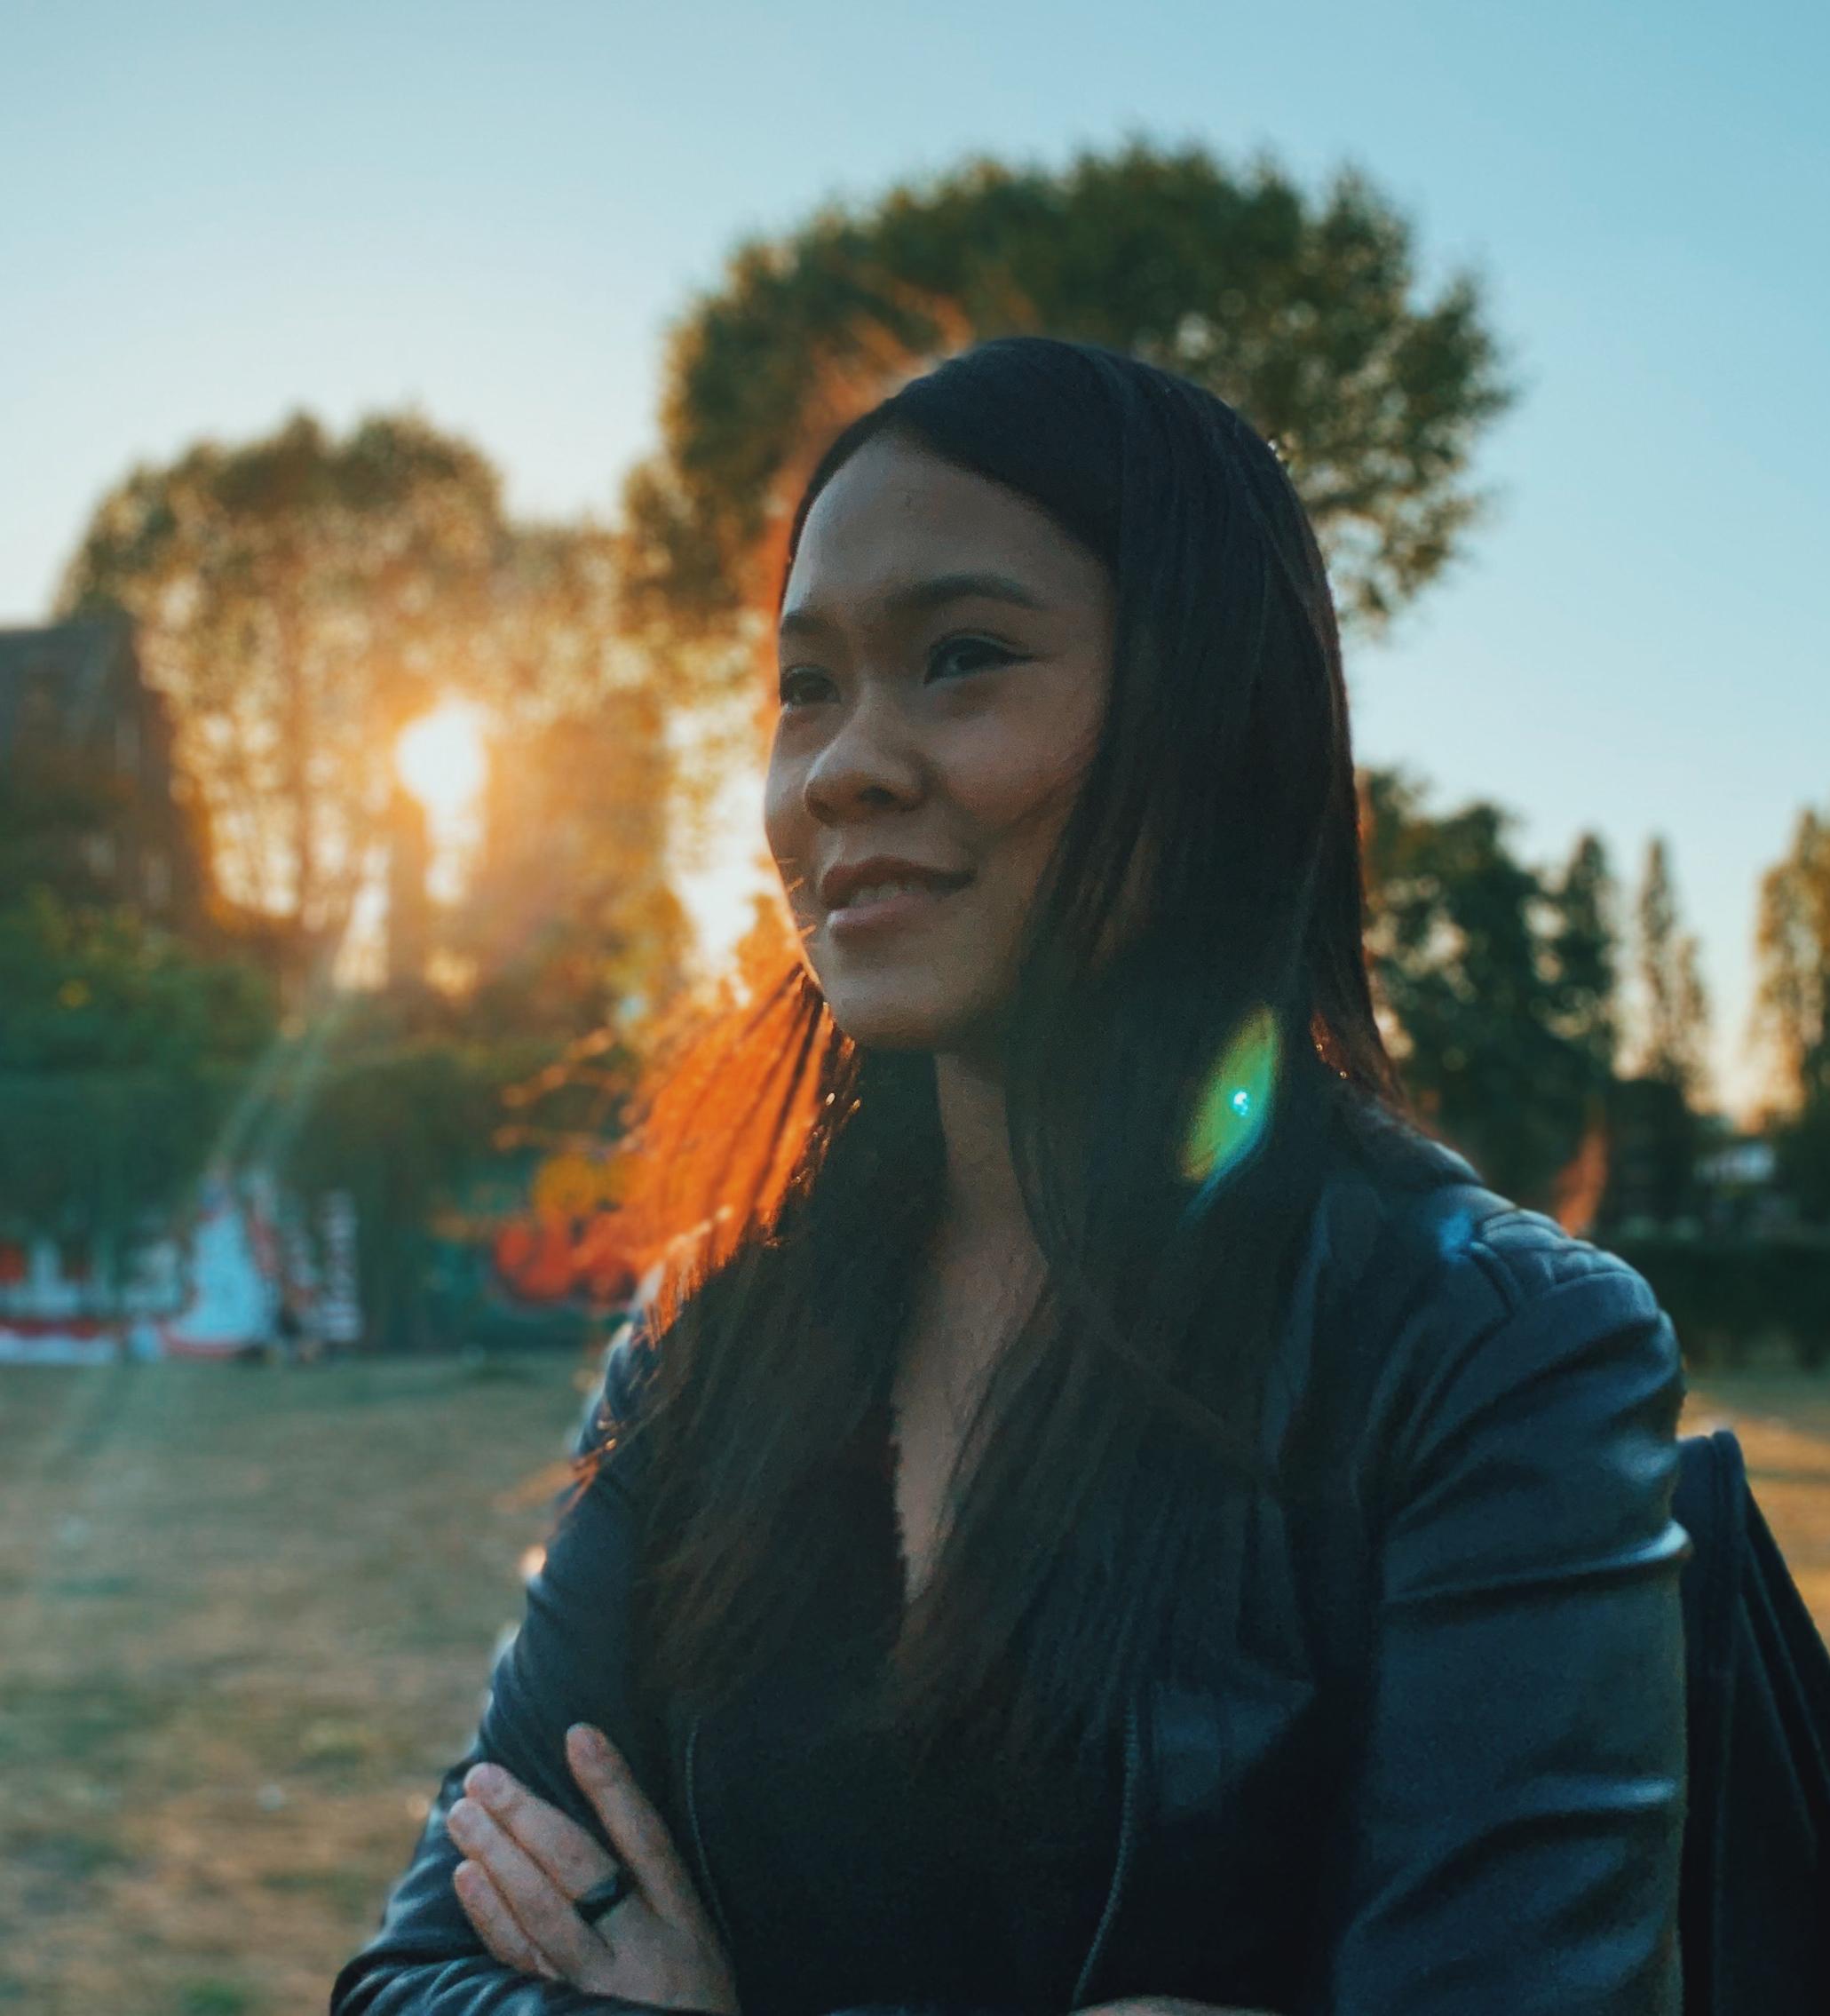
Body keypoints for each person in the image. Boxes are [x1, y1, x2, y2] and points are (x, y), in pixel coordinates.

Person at [331, 335, 1690, 2016]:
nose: (842, 767)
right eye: (806, 685)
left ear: (1209, 724)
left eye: (961, 657)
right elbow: (413, 1979)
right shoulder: (709, 1335)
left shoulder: (1487, 1357)